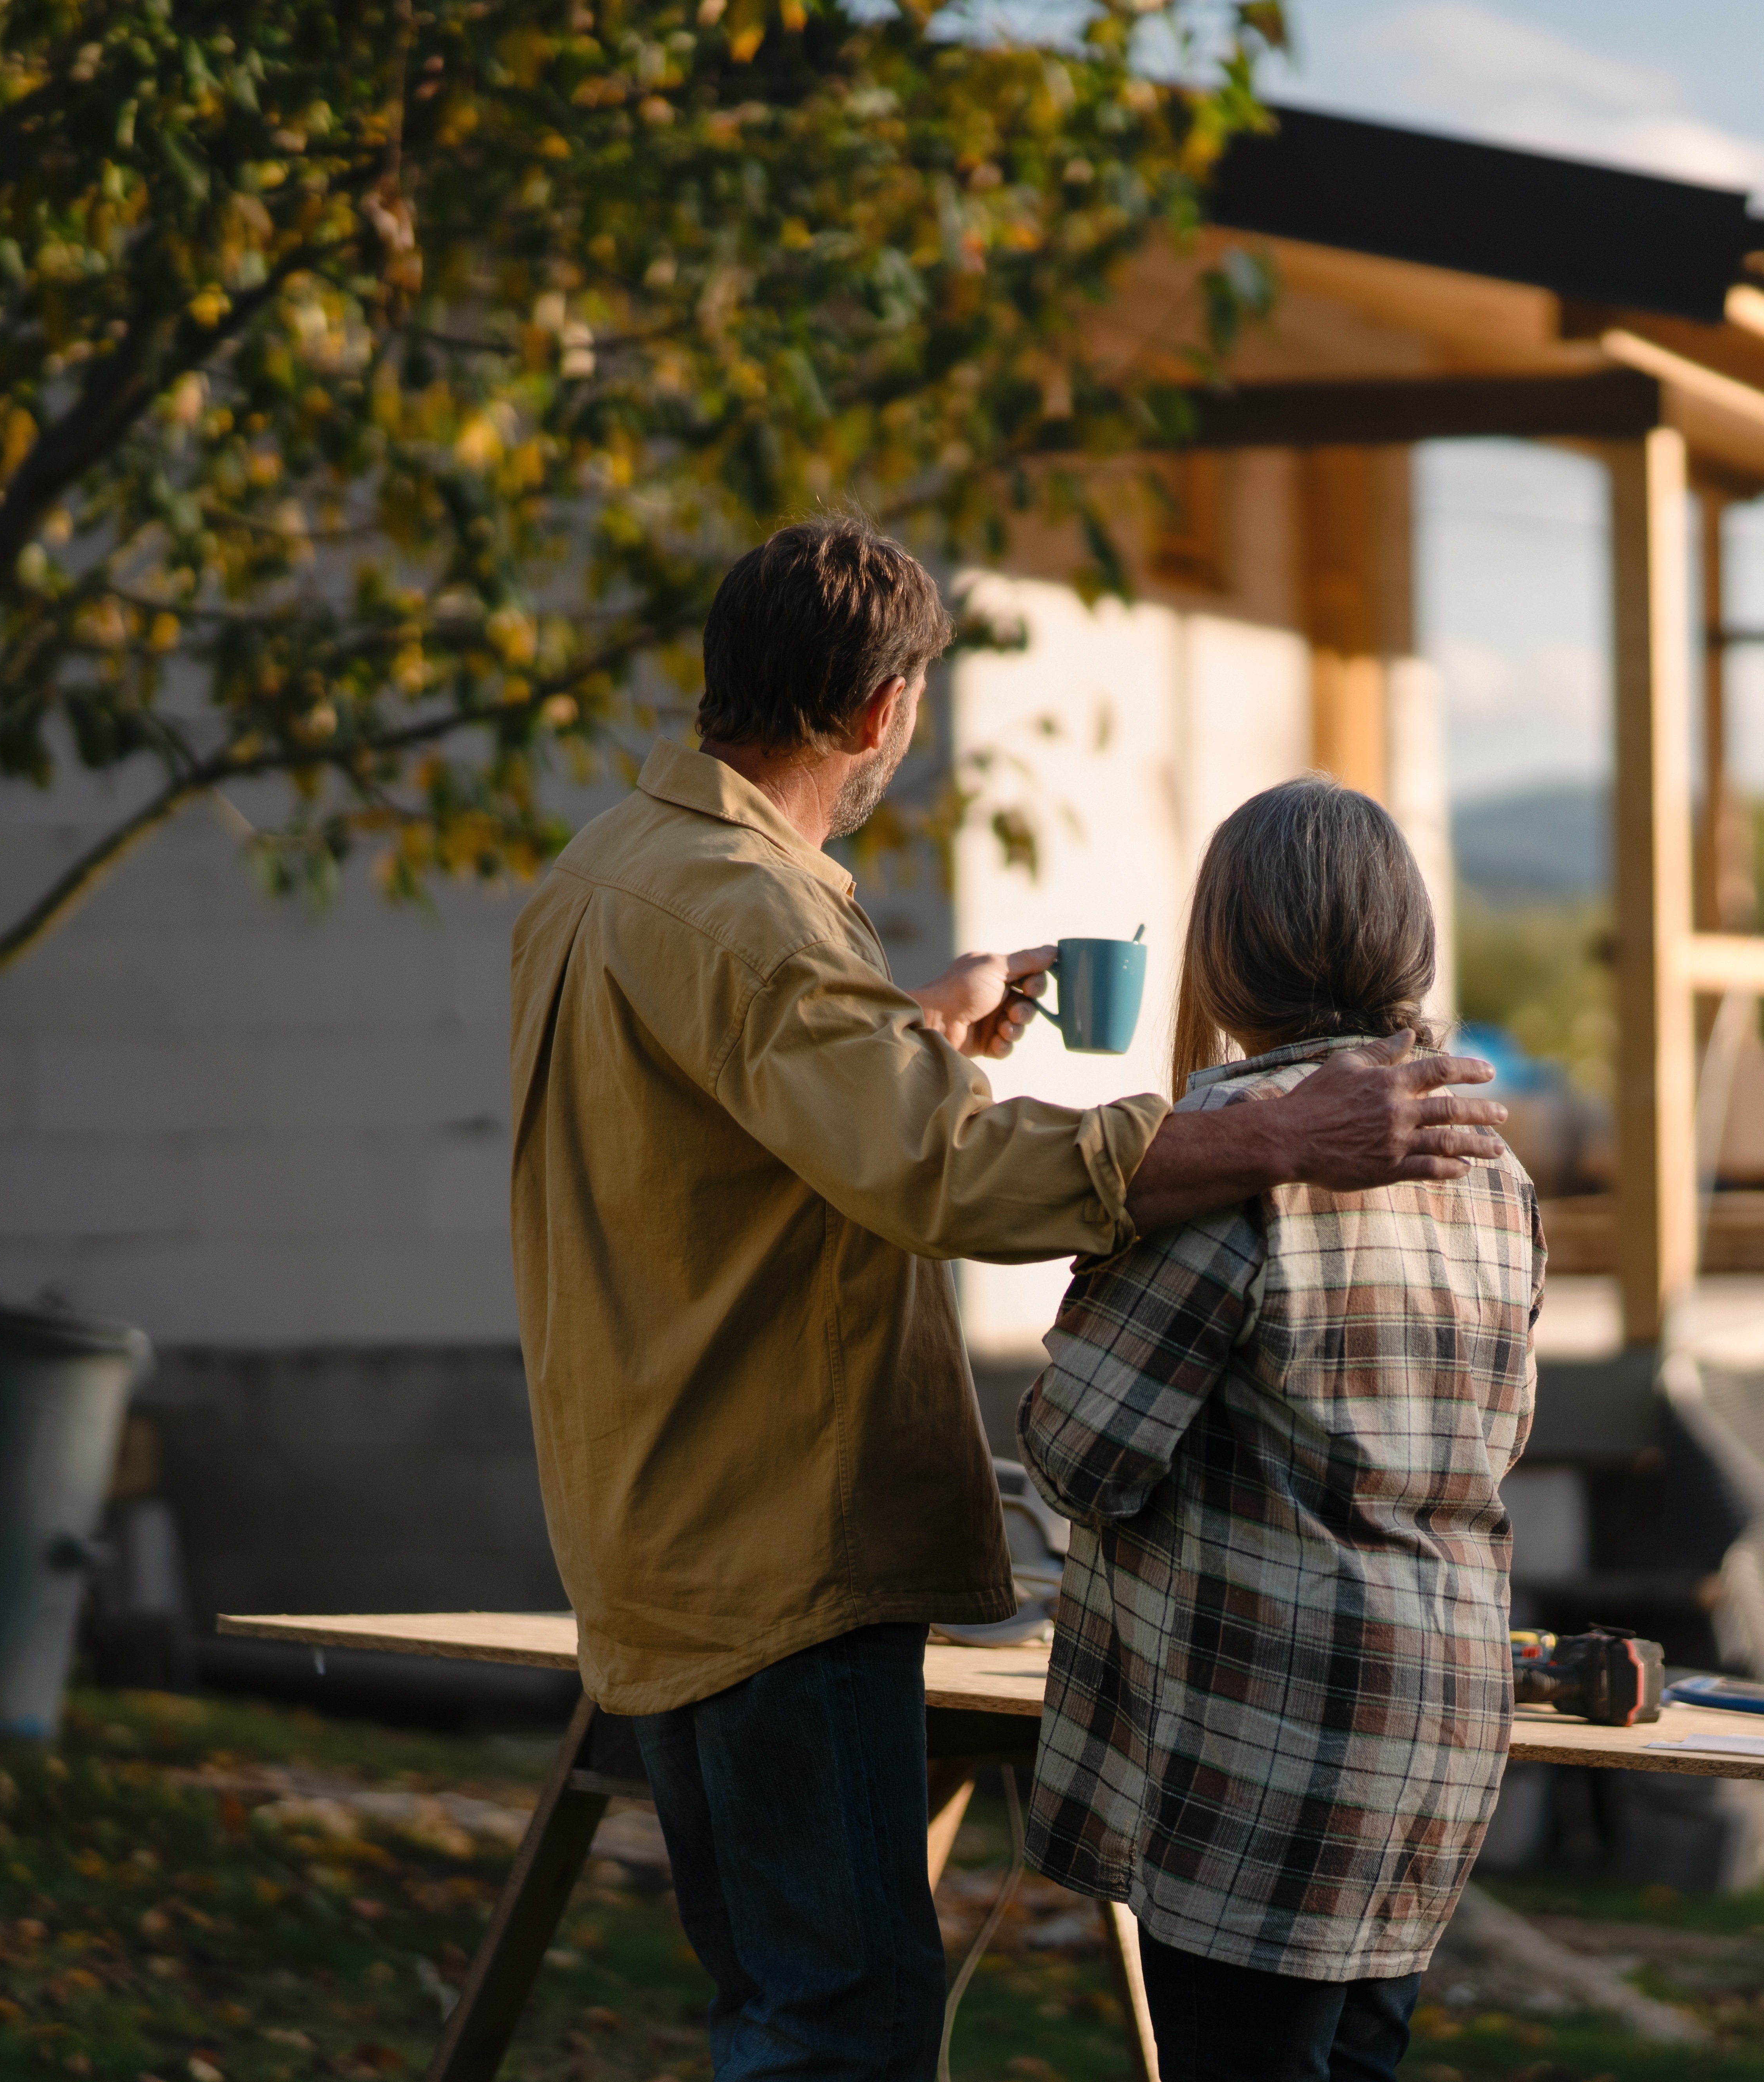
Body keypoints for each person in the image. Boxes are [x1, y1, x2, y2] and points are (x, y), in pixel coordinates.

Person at [506, 515, 1508, 2082]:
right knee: (840, 2022)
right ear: (880, 715)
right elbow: (945, 1184)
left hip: (656, 1521)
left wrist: (912, 1033)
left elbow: (717, 1121)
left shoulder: (608, 875)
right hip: (777, 1544)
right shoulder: (753, 915)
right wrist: (1265, 1139)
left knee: (782, 1998)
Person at [1016, 778, 1545, 2082]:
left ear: (1227, 953)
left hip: (1267, 1736)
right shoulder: (1493, 1164)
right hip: (1437, 1725)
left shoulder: (1239, 1158)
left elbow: (1079, 1452)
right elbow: (1492, 1441)